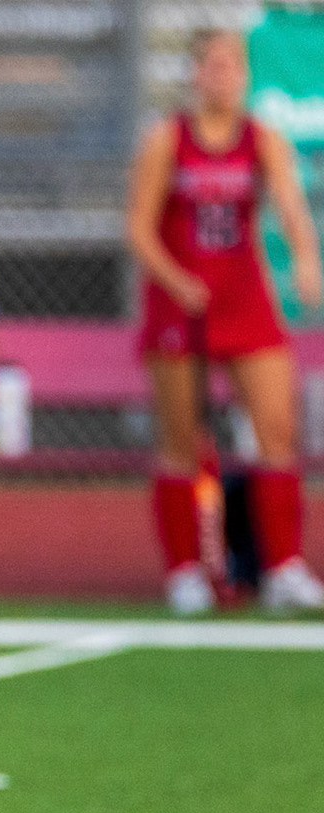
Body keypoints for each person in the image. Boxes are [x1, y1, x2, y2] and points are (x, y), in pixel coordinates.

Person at [127, 28, 324, 615]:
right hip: (181, 306)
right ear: (194, 73)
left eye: (232, 65)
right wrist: (177, 280)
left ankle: (283, 567)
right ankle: (185, 570)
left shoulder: (261, 138)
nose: (222, 76)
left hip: (243, 299)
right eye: (211, 65)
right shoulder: (169, 139)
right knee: (181, 440)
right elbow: (138, 229)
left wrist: (306, 260)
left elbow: (289, 206)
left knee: (276, 432)